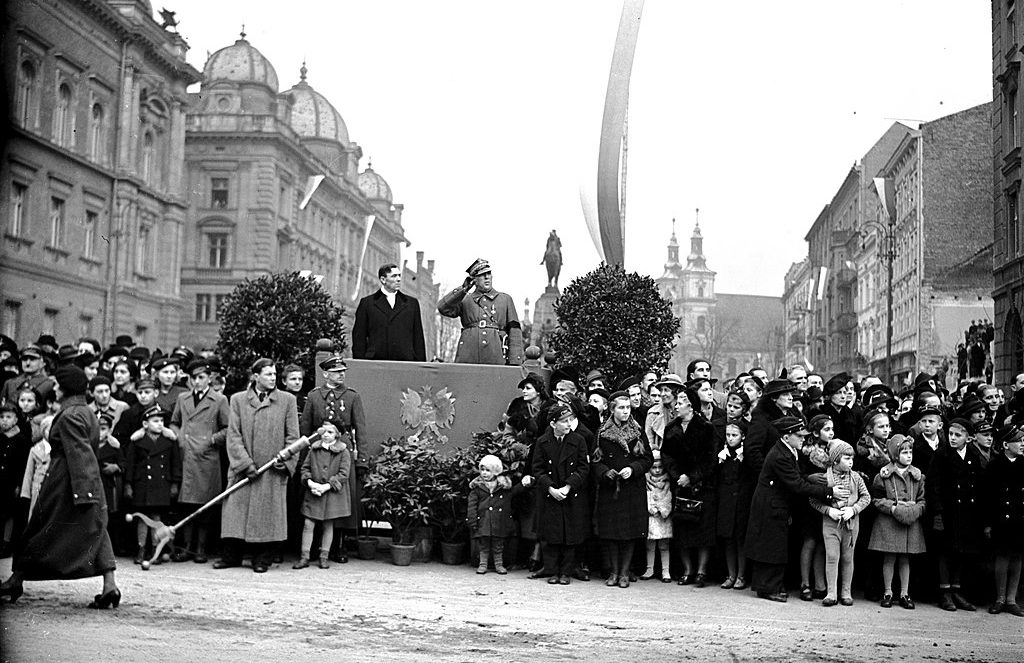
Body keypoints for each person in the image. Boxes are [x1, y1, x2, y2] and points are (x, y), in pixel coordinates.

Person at [0, 364, 121, 608]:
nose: (54, 387)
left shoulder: (71, 415)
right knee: (96, 529)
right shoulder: (85, 411)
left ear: (66, 387)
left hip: (66, 481)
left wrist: (83, 491)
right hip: (82, 480)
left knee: (39, 527)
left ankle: (16, 579)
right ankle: (110, 586)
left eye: (57, 383)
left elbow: (80, 454)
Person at [216, 358, 302, 573]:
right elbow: (233, 435)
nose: (273, 378)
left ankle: (262, 559)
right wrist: (245, 464)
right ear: (255, 376)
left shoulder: (287, 401)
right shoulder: (237, 400)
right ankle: (231, 556)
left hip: (272, 471)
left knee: (267, 515)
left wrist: (287, 462)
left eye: (275, 374)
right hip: (242, 471)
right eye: (268, 374)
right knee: (235, 512)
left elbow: (293, 437)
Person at [746, 416, 842, 602]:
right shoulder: (781, 456)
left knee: (773, 546)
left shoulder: (786, 451)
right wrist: (829, 492)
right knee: (771, 547)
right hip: (771, 506)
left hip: (774, 504)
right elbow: (797, 485)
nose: (803, 439)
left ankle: (768, 586)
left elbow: (795, 478)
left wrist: (808, 478)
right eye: (799, 436)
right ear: (786, 436)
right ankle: (768, 588)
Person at [299, 355, 366, 563]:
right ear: (325, 374)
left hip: (341, 452)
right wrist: (303, 457)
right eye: (336, 372)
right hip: (318, 452)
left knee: (340, 500)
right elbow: (305, 428)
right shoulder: (314, 396)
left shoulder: (352, 396)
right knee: (315, 502)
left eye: (343, 371)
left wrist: (362, 460)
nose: (341, 375)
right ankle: (312, 549)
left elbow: (361, 429)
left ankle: (339, 546)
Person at [169, 359, 230, 564]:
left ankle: (201, 548)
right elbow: (174, 421)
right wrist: (179, 437)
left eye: (201, 377)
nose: (196, 382)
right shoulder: (183, 398)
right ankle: (187, 547)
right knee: (186, 504)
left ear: (209, 378)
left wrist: (211, 440)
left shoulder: (219, 400)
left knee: (204, 505)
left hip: (206, 459)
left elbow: (228, 428)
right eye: (193, 378)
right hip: (186, 457)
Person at [592, 391, 652, 589]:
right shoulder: (602, 433)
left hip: (632, 489)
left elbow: (647, 459)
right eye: (621, 408)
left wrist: (633, 469)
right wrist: (605, 472)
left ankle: (625, 572)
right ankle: (614, 571)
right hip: (611, 490)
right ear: (612, 409)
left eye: (628, 408)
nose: (626, 411)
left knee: (629, 533)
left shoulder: (637, 431)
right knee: (611, 534)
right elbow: (595, 461)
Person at [662, 387, 718, 587]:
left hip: (702, 486)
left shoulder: (706, 428)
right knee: (683, 530)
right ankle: (687, 570)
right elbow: (667, 455)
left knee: (703, 531)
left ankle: (701, 571)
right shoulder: (671, 428)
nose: (676, 406)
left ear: (691, 406)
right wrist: (678, 476)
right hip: (680, 486)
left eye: (680, 403)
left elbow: (710, 458)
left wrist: (692, 477)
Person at [926, 418, 983, 611]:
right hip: (947, 512)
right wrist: (937, 512)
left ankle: (957, 589)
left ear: (968, 438)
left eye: (958, 435)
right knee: (944, 551)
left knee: (961, 551)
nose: (952, 438)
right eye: (950, 434)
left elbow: (978, 487)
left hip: (967, 512)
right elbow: (933, 485)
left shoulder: (973, 456)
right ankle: (945, 591)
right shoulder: (941, 455)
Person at [530, 404, 590, 585]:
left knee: (570, 535)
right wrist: (550, 488)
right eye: (564, 421)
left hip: (570, 494)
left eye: (570, 420)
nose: (568, 424)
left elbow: (583, 468)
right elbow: (537, 469)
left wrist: (568, 486)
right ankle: (553, 571)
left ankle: (565, 572)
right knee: (551, 535)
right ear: (553, 423)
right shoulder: (542, 442)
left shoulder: (578, 440)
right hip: (550, 495)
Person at [808, 441, 871, 606]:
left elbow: (866, 497)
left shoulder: (856, 477)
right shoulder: (825, 478)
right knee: (832, 556)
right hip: (831, 523)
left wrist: (853, 509)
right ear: (835, 460)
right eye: (846, 458)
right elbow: (813, 500)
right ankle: (831, 592)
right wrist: (829, 511)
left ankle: (846, 592)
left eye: (852, 458)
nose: (851, 462)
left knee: (848, 557)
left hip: (851, 524)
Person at [868, 434, 927, 610]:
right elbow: (876, 499)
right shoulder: (884, 475)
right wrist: (893, 507)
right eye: (904, 452)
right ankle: (888, 592)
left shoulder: (917, 476)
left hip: (910, 521)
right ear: (895, 454)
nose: (909, 456)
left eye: (910, 452)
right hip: (889, 522)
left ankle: (904, 593)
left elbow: (922, 500)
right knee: (889, 558)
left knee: (904, 559)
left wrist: (914, 510)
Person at [437, 258, 524, 365]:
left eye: (489, 273)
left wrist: (515, 361)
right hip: (468, 354)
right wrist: (463, 289)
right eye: (482, 275)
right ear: (474, 280)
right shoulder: (464, 299)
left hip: (496, 354)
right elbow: (443, 308)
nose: (487, 277)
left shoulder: (505, 299)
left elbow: (515, 331)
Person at [125, 405, 181, 565]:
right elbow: (131, 464)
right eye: (155, 421)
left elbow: (175, 463)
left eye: (162, 421)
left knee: (157, 517)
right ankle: (141, 548)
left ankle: (156, 549)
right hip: (142, 484)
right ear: (145, 424)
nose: (160, 424)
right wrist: (128, 484)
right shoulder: (137, 442)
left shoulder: (169, 441)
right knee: (142, 517)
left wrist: (175, 483)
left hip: (161, 484)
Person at [294, 422, 351, 570]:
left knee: (328, 525)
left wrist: (326, 486)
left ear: (337, 435)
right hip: (313, 492)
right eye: (323, 431)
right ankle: (304, 557)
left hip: (331, 494)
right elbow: (305, 468)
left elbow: (344, 474)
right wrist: (310, 483)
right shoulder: (314, 449)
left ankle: (324, 557)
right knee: (308, 524)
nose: (325, 435)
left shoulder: (343, 451)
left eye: (330, 432)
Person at [982, 425, 1024, 616]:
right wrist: (988, 523)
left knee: (1017, 557)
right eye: (1018, 441)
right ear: (1006, 445)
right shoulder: (994, 466)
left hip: (1020, 519)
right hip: (1001, 520)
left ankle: (1011, 600)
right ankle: (999, 599)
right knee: (1002, 556)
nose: (1022, 444)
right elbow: (987, 498)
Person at [352, 263, 427, 362]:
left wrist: (420, 366)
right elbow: (359, 339)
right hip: (376, 363)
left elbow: (418, 339)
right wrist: (361, 365)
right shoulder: (367, 303)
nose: (398, 279)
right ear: (383, 280)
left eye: (399, 275)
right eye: (394, 276)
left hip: (405, 363)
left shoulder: (411, 304)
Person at [797, 414, 832, 601]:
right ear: (816, 433)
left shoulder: (833, 450)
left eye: (832, 429)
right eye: (827, 429)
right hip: (809, 501)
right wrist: (808, 477)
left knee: (821, 543)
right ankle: (805, 583)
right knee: (809, 541)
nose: (831, 433)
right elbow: (797, 475)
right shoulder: (805, 452)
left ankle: (820, 584)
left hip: (825, 500)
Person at [716, 419, 752, 590]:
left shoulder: (746, 455)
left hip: (742, 502)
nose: (730, 438)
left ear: (742, 436)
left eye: (734, 435)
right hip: (726, 501)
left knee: (740, 539)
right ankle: (731, 574)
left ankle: (741, 575)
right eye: (728, 435)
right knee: (728, 539)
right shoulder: (722, 455)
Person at [467, 454, 516, 575]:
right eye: (482, 469)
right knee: (483, 545)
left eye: (488, 470)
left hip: (498, 521)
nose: (484, 473)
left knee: (498, 545)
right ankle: (482, 564)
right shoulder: (477, 487)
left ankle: (499, 565)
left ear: (495, 472)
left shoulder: (502, 487)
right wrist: (472, 520)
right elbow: (472, 505)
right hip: (483, 521)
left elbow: (512, 496)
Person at [0, 403, 31, 557]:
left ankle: (6, 544)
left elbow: (23, 465)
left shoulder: (22, 440)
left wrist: (19, 484)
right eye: (2, 417)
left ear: (16, 419)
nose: (4, 420)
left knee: (10, 513)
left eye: (8, 417)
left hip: (12, 483)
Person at [94, 413, 124, 558]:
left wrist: (116, 467)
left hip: (108, 485)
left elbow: (123, 463)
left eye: (103, 429)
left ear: (109, 430)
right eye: (97, 429)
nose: (100, 433)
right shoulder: (88, 446)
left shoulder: (114, 447)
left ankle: (113, 547)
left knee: (111, 515)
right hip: (93, 484)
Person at [642, 449, 673, 582]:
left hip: (663, 517)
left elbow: (668, 497)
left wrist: (663, 509)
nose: (657, 470)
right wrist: (651, 508)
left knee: (664, 545)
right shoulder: (646, 481)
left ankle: (666, 570)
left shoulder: (667, 482)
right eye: (654, 467)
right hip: (651, 517)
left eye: (660, 467)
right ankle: (650, 568)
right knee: (649, 545)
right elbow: (645, 496)